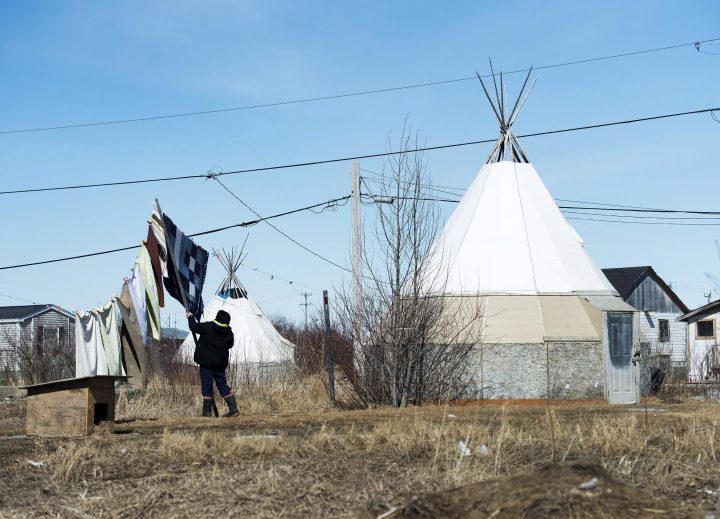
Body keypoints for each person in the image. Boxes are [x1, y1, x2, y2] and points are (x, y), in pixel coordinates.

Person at [186, 309, 239, 417]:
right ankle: (233, 409)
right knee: (223, 385)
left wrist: (190, 317)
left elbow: (193, 327)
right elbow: (230, 345)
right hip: (220, 364)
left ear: (217, 317)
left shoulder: (208, 327)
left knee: (207, 387)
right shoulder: (229, 333)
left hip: (206, 363)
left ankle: (206, 413)